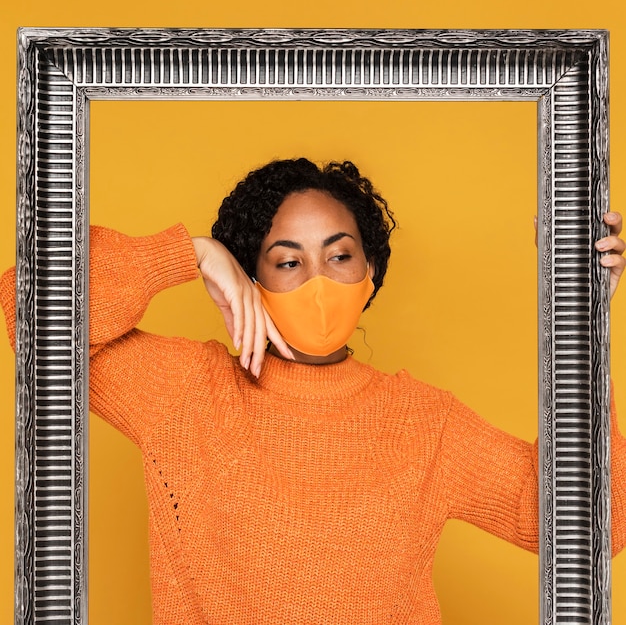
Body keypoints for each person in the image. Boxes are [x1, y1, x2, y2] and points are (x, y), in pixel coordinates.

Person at [1, 157, 625, 624]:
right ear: (252, 276)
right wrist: (189, 254)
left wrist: (582, 318)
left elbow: (597, 523)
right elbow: (25, 303)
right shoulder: (185, 393)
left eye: (340, 255)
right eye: (289, 260)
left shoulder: (424, 422)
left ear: (370, 269)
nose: (319, 281)